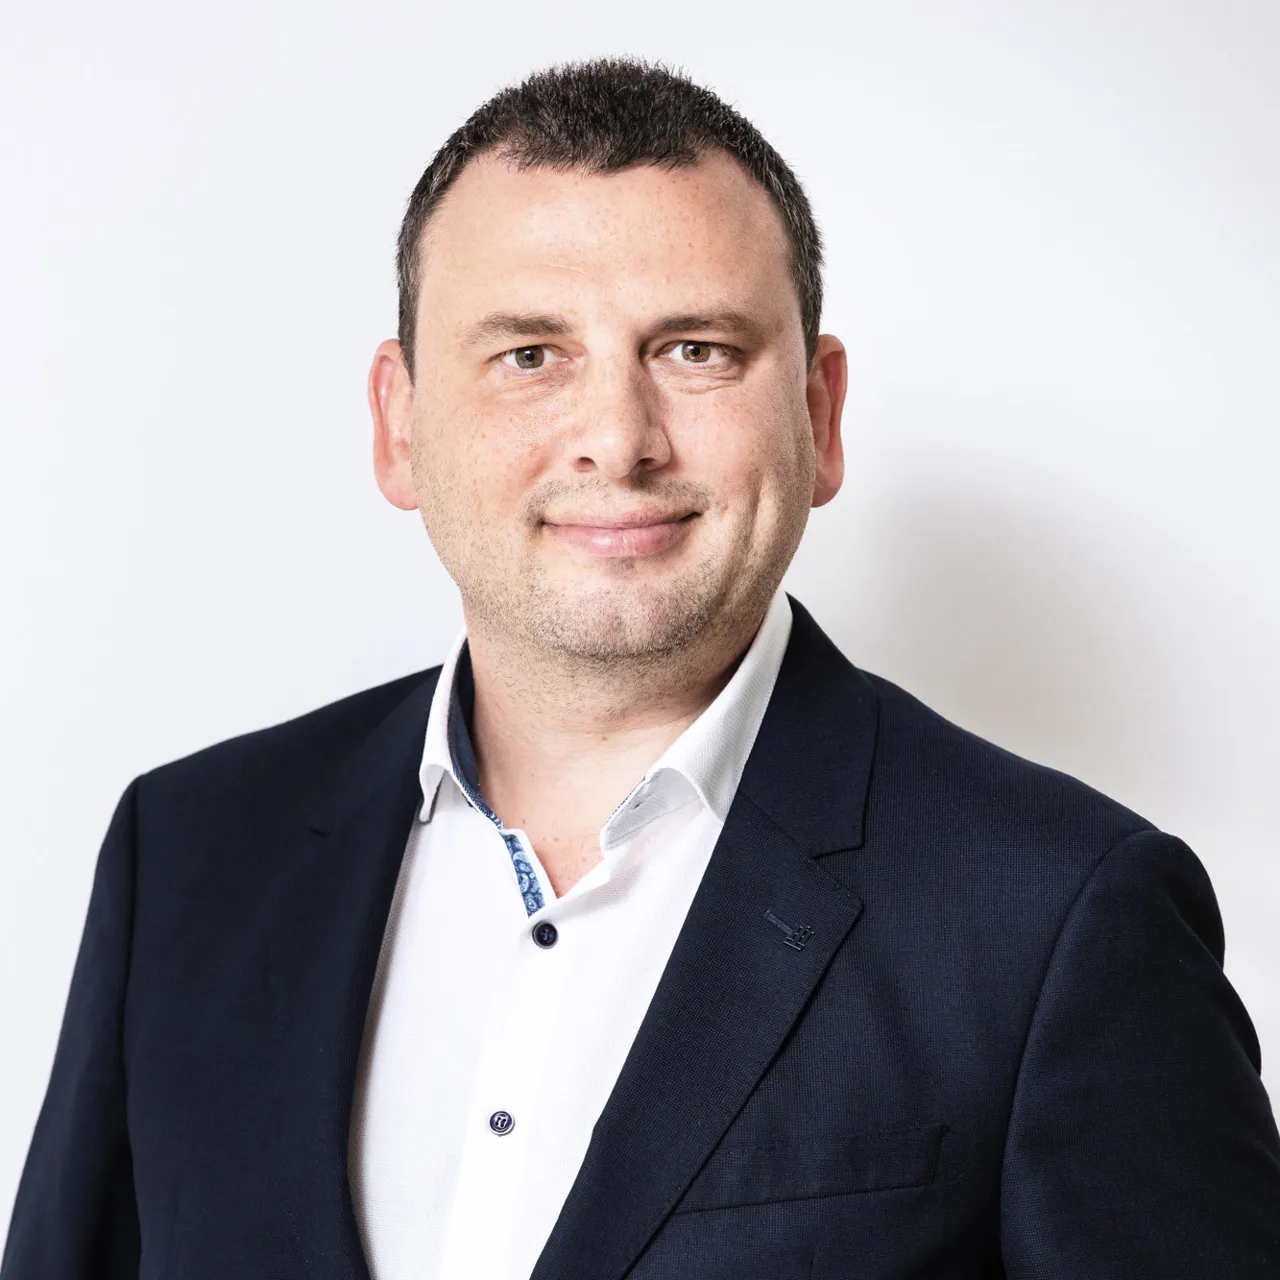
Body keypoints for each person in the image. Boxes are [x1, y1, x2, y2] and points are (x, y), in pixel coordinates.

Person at [3, 54, 1278, 1280]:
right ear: (399, 424)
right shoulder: (188, 852)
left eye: (695, 350)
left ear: (819, 415)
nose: (616, 439)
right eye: (528, 354)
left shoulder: (1060, 918)